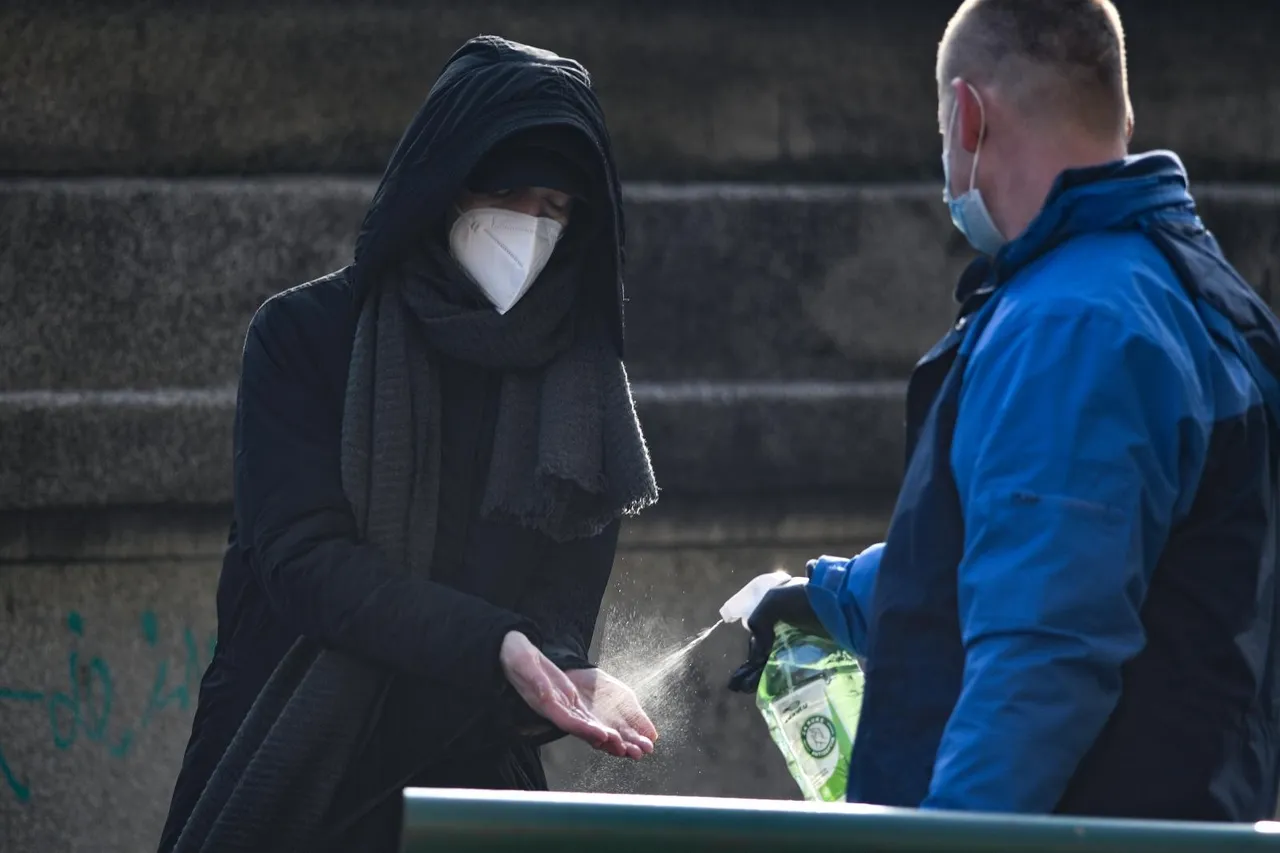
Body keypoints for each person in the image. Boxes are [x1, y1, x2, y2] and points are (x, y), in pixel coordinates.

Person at [731, 0, 1280, 821]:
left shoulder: (1072, 324)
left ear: (969, 114)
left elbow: (1041, 658)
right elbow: (1044, 555)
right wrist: (832, 595)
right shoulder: (1192, 295)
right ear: (1120, 110)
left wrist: (947, 842)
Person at [158, 36, 660, 853]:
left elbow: (562, 596)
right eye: (509, 195)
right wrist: (495, 644)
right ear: (444, 184)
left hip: (473, 788)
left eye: (557, 209)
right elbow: (303, 561)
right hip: (298, 771)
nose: (531, 229)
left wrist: (561, 668)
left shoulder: (581, 379)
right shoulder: (305, 335)